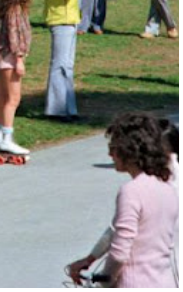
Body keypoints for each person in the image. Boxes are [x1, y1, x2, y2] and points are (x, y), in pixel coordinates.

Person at [67, 113, 178, 288]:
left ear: (130, 151)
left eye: (114, 148)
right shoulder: (167, 189)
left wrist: (104, 280)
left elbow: (120, 252)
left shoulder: (132, 191)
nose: (110, 154)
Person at [42, 0, 84, 120]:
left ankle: (69, 108)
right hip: (60, 19)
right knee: (59, 65)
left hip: (71, 19)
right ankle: (56, 109)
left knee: (67, 65)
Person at [0, 0, 33, 157]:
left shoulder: (11, 8)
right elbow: (14, 35)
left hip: (3, 57)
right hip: (10, 57)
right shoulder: (15, 10)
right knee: (13, 99)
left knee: (2, 97)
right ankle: (7, 138)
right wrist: (19, 59)